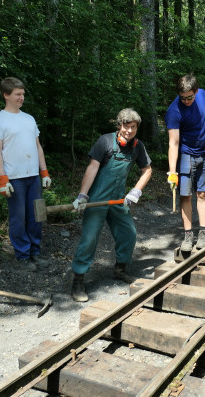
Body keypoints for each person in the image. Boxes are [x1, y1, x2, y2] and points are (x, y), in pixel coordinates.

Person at [70, 108, 152, 302]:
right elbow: (92, 168)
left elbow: (147, 170)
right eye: (126, 126)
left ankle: (120, 269)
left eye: (133, 127)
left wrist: (136, 191)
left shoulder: (138, 147)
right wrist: (83, 194)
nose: (129, 131)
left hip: (117, 199)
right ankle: (79, 280)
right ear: (119, 126)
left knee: (128, 233)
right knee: (89, 238)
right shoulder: (105, 142)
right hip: (97, 198)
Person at [0, 77, 52, 272]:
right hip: (14, 178)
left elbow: (38, 147)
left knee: (36, 215)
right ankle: (22, 256)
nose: (21, 97)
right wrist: (2, 179)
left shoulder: (29, 119)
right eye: (18, 94)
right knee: (18, 217)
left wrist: (44, 172)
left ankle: (35, 252)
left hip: (33, 175)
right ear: (6, 95)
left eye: (23, 94)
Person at [165, 74, 205, 252]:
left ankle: (203, 233)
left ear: (196, 91)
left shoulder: (203, 95)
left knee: (202, 194)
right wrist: (172, 171)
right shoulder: (174, 111)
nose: (186, 101)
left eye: (190, 97)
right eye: (183, 98)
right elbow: (173, 143)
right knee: (185, 196)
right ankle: (188, 235)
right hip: (186, 154)